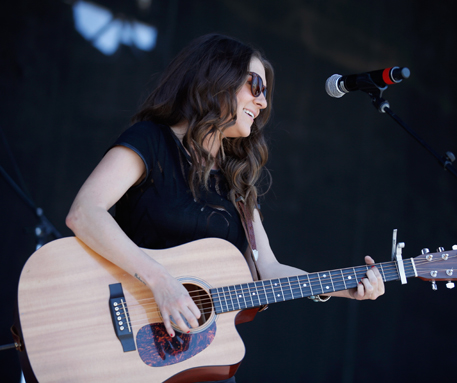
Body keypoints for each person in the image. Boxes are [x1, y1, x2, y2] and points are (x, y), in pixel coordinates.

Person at [65, 33, 385, 382]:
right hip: (123, 340)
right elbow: (85, 212)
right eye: (255, 86)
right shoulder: (151, 140)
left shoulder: (236, 183)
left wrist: (344, 287)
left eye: (265, 93)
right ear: (218, 79)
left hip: (197, 361)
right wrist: (162, 282)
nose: (262, 103)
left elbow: (267, 269)